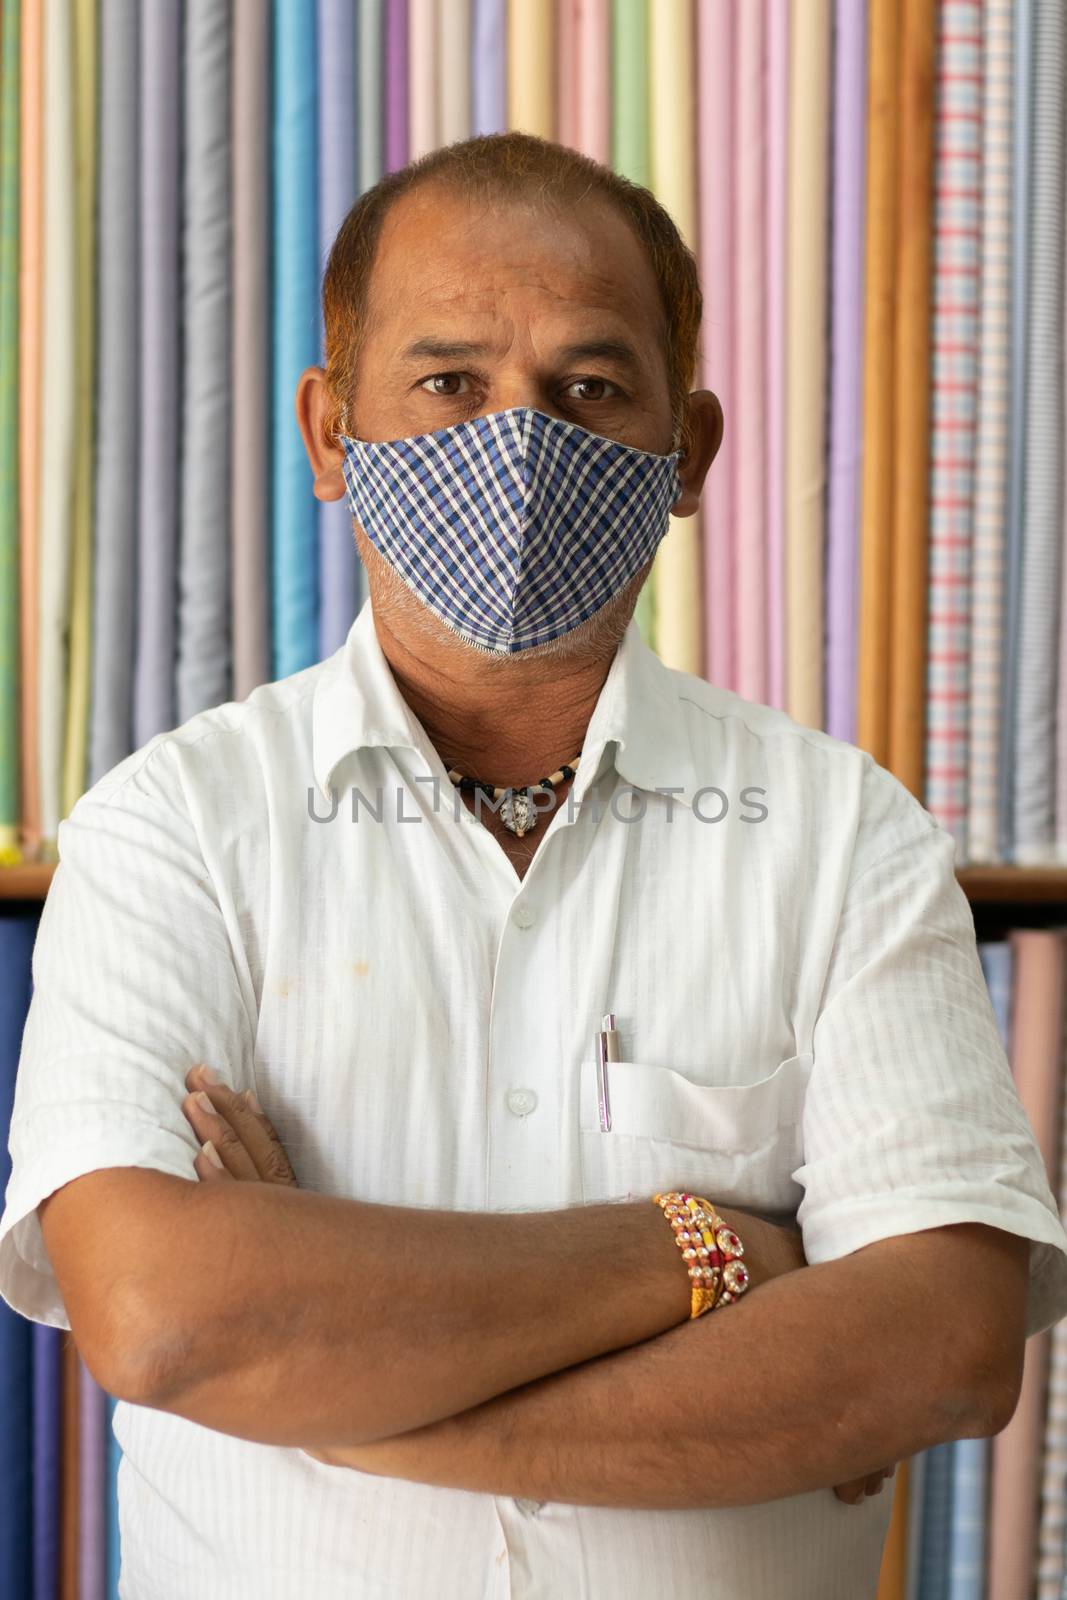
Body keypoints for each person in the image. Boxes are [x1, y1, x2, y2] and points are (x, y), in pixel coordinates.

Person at [2, 131, 1065, 1599]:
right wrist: (710, 1254)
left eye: (589, 389)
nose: (519, 441)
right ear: (330, 435)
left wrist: (340, 1390)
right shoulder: (169, 828)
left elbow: (938, 1350)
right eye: (449, 383)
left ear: (686, 455)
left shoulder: (843, 837)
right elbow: (168, 1322)